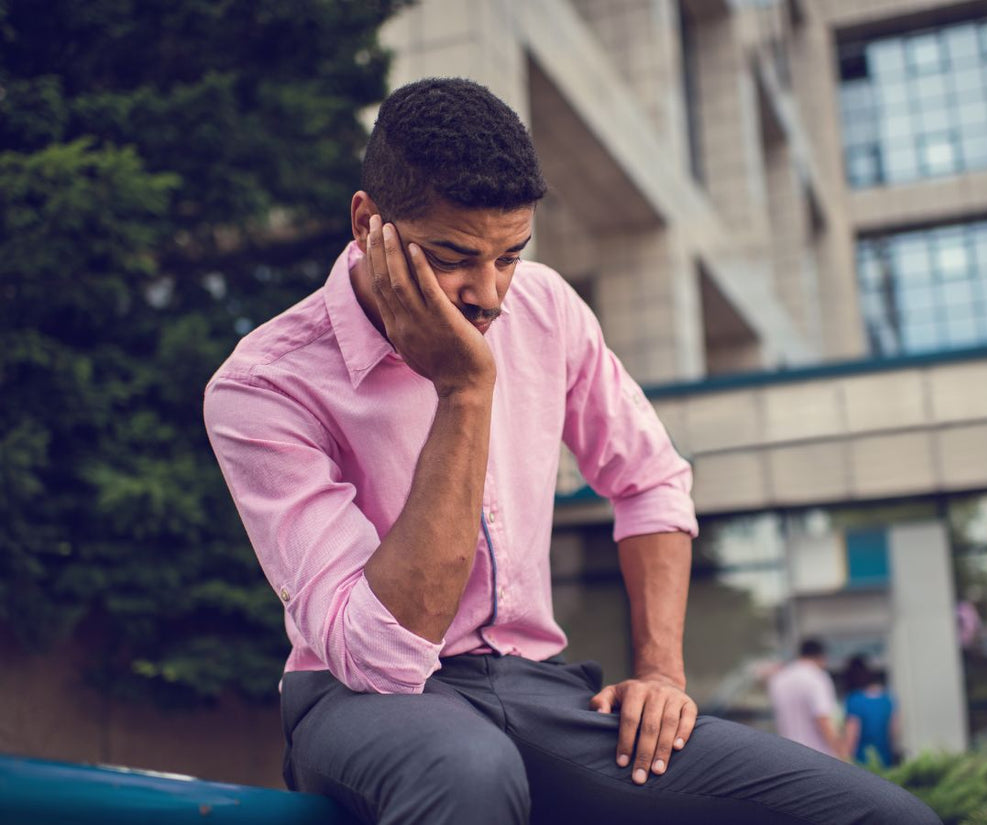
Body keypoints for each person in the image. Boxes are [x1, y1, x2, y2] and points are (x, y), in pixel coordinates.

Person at [204, 77, 940, 825]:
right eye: (454, 257)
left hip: (535, 687)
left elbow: (651, 480)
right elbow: (379, 653)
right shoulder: (265, 384)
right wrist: (464, 392)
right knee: (466, 770)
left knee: (878, 815)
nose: (488, 294)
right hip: (361, 700)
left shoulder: (546, 306)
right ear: (369, 224)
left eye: (509, 256)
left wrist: (660, 670)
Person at [768, 638, 846, 759]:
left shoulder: (779, 679)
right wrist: (841, 752)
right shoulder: (817, 677)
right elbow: (823, 718)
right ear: (821, 657)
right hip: (817, 755)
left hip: (787, 754)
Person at [842, 655, 898, 767]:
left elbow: (851, 736)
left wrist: (844, 759)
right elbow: (894, 731)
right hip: (886, 759)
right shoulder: (887, 698)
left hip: (862, 762)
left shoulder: (854, 699)